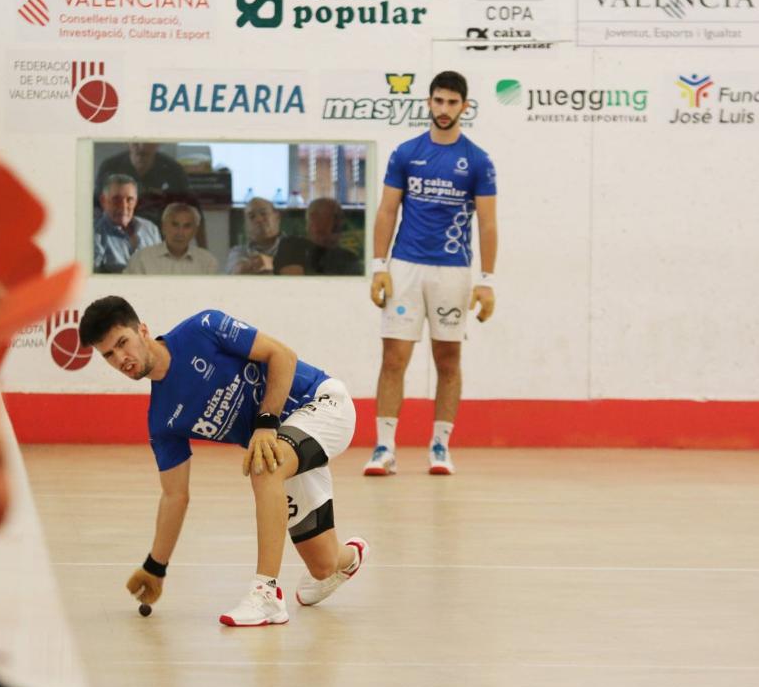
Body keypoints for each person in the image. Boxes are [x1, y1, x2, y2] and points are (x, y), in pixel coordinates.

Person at [78, 296, 370, 628]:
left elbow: (283, 356)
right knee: (323, 564)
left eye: (122, 343)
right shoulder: (162, 420)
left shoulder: (203, 328)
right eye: (109, 356)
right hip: (284, 444)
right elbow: (175, 495)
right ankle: (351, 557)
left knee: (264, 466)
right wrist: (155, 567)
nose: (121, 359)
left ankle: (266, 595)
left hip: (321, 404)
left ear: (142, 330)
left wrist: (266, 423)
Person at [365, 71, 498, 477]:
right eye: (438, 101)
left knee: (448, 358)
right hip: (405, 267)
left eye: (452, 103)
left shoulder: (477, 160)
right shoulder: (406, 153)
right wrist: (378, 266)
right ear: (428, 103)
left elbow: (488, 225)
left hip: (453, 272)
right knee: (394, 357)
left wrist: (487, 281)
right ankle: (384, 447)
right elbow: (387, 210)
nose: (444, 109)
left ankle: (440, 446)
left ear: (465, 107)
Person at [94, 142, 190, 223]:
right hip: (117, 231)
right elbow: (96, 206)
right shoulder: (110, 167)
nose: (140, 145)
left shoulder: (173, 170)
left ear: (157, 143)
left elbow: (191, 209)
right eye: (135, 139)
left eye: (146, 139)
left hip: (159, 232)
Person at [273, 197, 363, 276]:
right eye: (335, 216)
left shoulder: (349, 258)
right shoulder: (292, 246)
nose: (340, 222)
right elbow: (292, 283)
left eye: (341, 217)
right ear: (313, 218)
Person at [124, 202, 219, 275]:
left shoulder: (207, 262)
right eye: (174, 225)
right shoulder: (142, 259)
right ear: (163, 227)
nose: (180, 232)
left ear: (195, 231)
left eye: (187, 226)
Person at [94, 174, 159, 273]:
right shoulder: (92, 233)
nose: (124, 206)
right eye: (116, 199)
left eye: (129, 200)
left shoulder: (151, 228)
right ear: (103, 201)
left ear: (136, 201)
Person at [225, 197, 290, 275]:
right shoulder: (238, 252)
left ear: (277, 217)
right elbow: (236, 272)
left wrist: (271, 263)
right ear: (246, 225)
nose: (258, 219)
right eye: (252, 216)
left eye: (263, 213)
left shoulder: (295, 248)